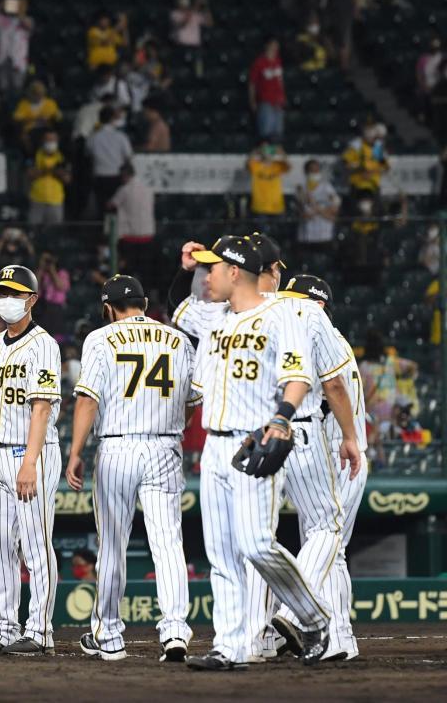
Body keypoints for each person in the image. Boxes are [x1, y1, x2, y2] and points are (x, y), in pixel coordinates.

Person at [170, 236, 349, 669]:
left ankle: (312, 616)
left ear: (235, 272)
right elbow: (179, 308)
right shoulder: (217, 317)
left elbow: (298, 376)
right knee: (222, 553)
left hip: (255, 441)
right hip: (214, 446)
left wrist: (283, 417)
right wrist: (185, 268)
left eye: (212, 269)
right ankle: (229, 647)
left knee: (256, 544)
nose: (206, 276)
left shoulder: (281, 314)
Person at [67, 274, 198, 662]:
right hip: (164, 446)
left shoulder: (99, 339)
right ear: (144, 303)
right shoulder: (178, 339)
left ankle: (108, 635)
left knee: (112, 546)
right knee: (168, 543)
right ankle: (175, 631)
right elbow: (192, 401)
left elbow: (87, 400)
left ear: (108, 308)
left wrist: (75, 451)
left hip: (118, 448)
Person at [0, 265, 62, 656]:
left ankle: (39, 631)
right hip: (0, 453)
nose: (6, 298)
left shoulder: (44, 344)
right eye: (1, 291)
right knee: (1, 546)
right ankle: (5, 628)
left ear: (32, 299)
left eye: (14, 292)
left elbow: (41, 408)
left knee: (36, 545)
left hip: (31, 453)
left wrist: (29, 462)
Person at [276, 274, 368, 662]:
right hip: (335, 455)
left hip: (338, 456)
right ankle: (340, 639)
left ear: (316, 305)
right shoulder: (327, 340)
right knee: (333, 551)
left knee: (325, 540)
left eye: (296, 300)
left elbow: (328, 396)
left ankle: (293, 613)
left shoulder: (320, 339)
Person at [107, 161, 156, 282]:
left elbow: (111, 205)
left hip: (130, 236)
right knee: (144, 271)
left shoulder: (124, 190)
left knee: (128, 270)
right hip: (147, 235)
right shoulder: (148, 189)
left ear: (124, 175)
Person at [86, 106, 133, 218]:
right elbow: (129, 156)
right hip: (116, 176)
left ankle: (105, 233)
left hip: (100, 177)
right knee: (117, 209)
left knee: (103, 209)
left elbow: (88, 154)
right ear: (113, 118)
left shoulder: (93, 137)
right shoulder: (121, 137)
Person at [0, 0, 34, 96]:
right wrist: (1, 5)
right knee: (3, 88)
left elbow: (28, 25)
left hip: (18, 61)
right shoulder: (3, 19)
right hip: (3, 58)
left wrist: (21, 10)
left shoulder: (28, 20)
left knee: (17, 88)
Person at [27, 131, 70, 225]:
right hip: (37, 200)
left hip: (56, 201)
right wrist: (50, 171)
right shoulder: (35, 155)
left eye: (53, 140)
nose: (50, 142)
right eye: (48, 140)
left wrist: (53, 172)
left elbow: (67, 179)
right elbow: (30, 174)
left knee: (54, 233)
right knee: (34, 231)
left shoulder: (62, 158)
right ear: (43, 141)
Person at [296, 159, 340, 247]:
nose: (314, 173)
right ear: (306, 171)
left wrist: (316, 209)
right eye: (311, 170)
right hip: (307, 235)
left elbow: (334, 209)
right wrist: (321, 211)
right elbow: (302, 213)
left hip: (325, 234)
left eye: (317, 170)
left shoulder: (327, 187)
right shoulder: (301, 187)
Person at [249, 38, 286, 142]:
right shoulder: (259, 63)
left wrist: (283, 96)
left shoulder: (278, 61)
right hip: (265, 100)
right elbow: (252, 83)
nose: (275, 48)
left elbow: (280, 80)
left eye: (277, 46)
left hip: (278, 101)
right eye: (273, 46)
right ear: (267, 46)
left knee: (278, 132)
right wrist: (252, 101)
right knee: (266, 131)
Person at [342, 121, 390, 202]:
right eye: (369, 136)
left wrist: (372, 172)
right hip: (357, 183)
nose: (372, 139)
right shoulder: (356, 146)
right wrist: (358, 169)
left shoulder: (377, 149)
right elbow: (345, 163)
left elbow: (385, 167)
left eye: (374, 137)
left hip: (373, 184)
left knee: (375, 209)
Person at [246, 141, 290, 229]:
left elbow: (288, 166)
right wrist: (256, 151)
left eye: (269, 149)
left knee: (279, 234)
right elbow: (247, 164)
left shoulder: (277, 165)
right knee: (261, 236)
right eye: (264, 149)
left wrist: (281, 152)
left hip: (276, 205)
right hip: (260, 205)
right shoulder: (256, 165)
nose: (266, 151)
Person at [12, 80, 61, 153]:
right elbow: (17, 119)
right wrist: (33, 119)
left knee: (51, 136)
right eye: (35, 93)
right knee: (25, 138)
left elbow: (58, 116)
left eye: (40, 93)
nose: (38, 96)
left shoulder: (50, 103)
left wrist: (48, 119)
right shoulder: (24, 104)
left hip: (47, 128)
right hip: (30, 130)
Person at [169, 0, 213, 76]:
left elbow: (210, 23)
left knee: (197, 72)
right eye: (182, 0)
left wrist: (206, 7)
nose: (184, 2)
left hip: (195, 47)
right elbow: (184, 23)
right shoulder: (175, 14)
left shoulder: (195, 13)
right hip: (182, 47)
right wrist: (197, 4)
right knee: (181, 73)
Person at [34, 252, 69, 338]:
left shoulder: (62, 273)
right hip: (42, 308)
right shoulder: (40, 273)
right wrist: (41, 268)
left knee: (56, 336)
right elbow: (34, 288)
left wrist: (52, 270)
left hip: (56, 308)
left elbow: (60, 286)